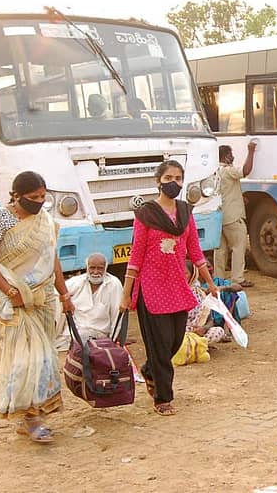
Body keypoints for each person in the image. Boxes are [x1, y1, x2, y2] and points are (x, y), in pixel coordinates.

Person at [0, 171, 75, 444]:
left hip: (42, 298)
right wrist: (11, 291)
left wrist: (64, 294)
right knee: (26, 359)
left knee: (44, 357)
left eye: (42, 196)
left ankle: (34, 413)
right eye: (33, 197)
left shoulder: (45, 221)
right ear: (16, 196)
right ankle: (30, 418)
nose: (39, 201)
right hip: (8, 300)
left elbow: (51, 259)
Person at [120, 160, 219, 416]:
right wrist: (126, 293)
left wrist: (210, 284)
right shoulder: (146, 214)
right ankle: (163, 398)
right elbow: (135, 257)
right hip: (151, 287)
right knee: (160, 345)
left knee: (174, 341)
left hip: (177, 286)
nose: (173, 183)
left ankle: (149, 371)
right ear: (158, 181)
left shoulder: (185, 212)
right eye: (168, 178)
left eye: (178, 178)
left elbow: (195, 252)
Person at [54, 252, 123, 351]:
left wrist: (113, 340)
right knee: (56, 301)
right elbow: (56, 292)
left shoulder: (114, 284)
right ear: (87, 268)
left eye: (100, 268)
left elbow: (117, 315)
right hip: (72, 334)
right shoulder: (77, 281)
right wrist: (66, 300)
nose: (95, 272)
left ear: (105, 269)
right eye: (92, 268)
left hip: (99, 335)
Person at [214, 142, 257, 288]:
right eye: (231, 154)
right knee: (238, 247)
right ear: (226, 157)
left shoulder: (215, 171)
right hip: (233, 216)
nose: (232, 157)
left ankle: (218, 279)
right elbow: (245, 170)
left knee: (220, 250)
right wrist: (251, 151)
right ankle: (238, 278)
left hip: (219, 216)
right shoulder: (228, 170)